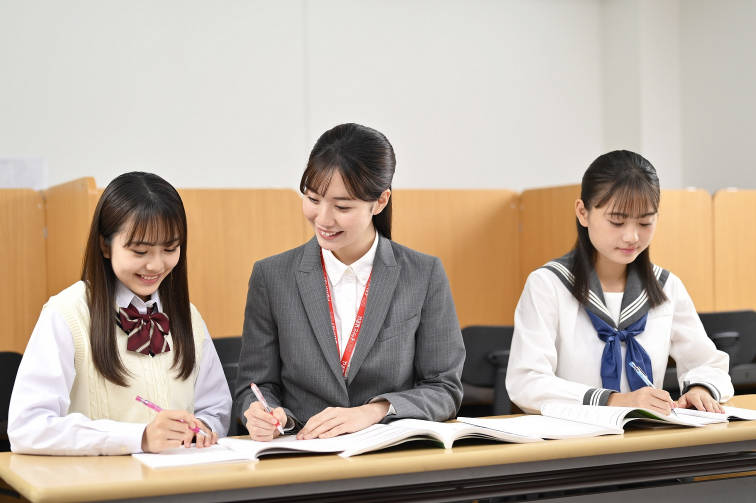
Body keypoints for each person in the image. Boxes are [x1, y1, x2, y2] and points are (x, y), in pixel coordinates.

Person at [236, 123, 465, 441]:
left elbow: (445, 389)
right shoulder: (272, 276)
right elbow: (255, 387)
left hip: (391, 460)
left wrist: (373, 412)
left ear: (380, 202)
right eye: (313, 199)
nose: (323, 219)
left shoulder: (422, 274)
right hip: (303, 457)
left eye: (342, 207)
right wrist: (265, 415)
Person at [8, 172, 231, 455]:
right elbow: (28, 428)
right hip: (101, 489)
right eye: (140, 251)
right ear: (105, 245)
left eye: (170, 249)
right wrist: (139, 437)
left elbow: (215, 408)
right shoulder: (66, 313)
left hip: (179, 483)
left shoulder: (187, 315)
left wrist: (201, 428)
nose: (156, 265)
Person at [506, 150, 733, 415]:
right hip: (571, 443)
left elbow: (709, 363)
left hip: (648, 437)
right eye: (617, 221)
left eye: (645, 222)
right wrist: (613, 400)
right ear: (583, 212)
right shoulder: (549, 285)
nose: (631, 236)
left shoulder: (665, 286)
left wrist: (701, 389)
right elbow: (527, 382)